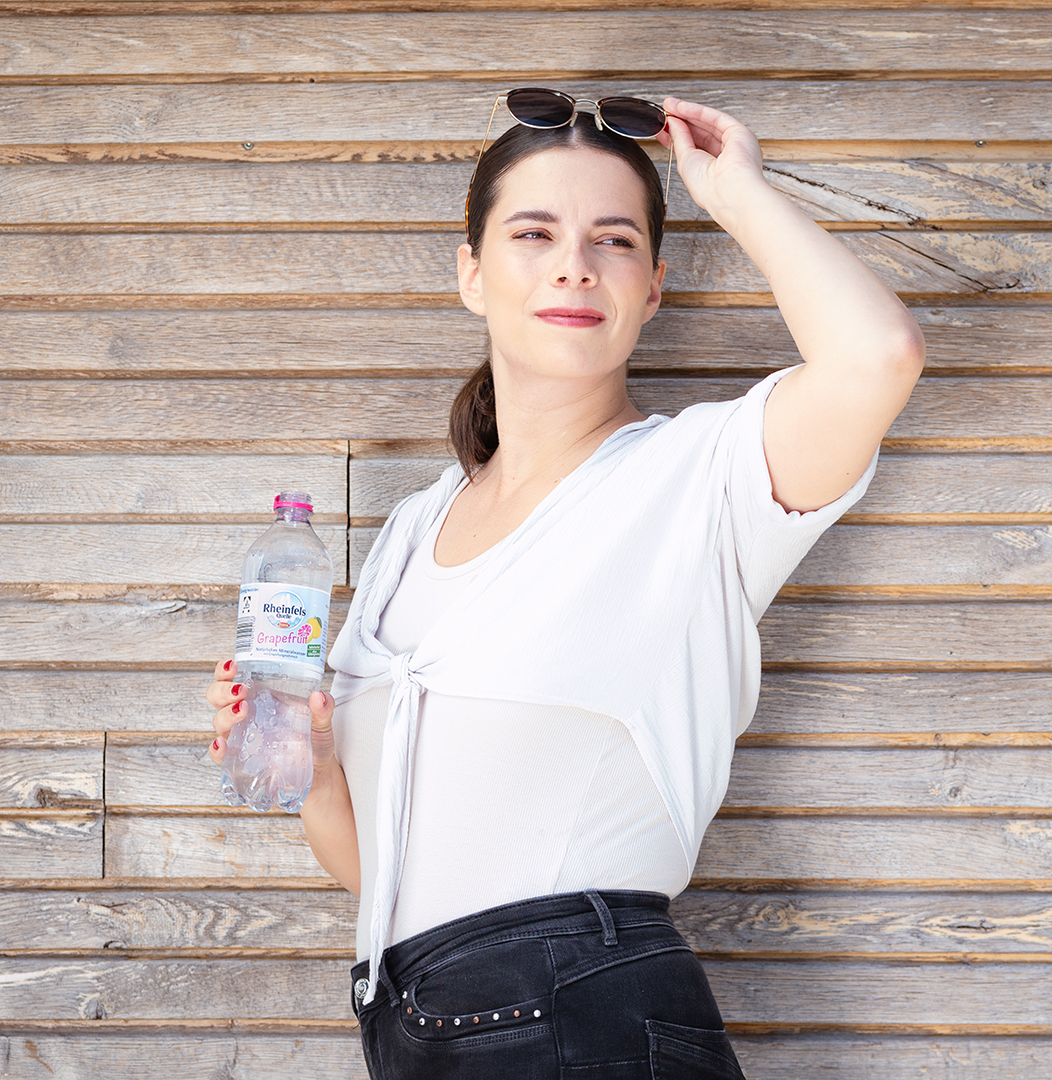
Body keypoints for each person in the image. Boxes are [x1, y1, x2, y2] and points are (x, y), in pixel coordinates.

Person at [207, 90, 924, 1080]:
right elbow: (384, 880)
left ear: (656, 285)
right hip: (415, 1030)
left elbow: (875, 357)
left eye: (615, 240)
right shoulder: (412, 533)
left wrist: (735, 188)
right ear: (470, 272)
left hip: (587, 1030)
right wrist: (308, 757)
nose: (574, 263)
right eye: (534, 231)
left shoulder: (699, 480)